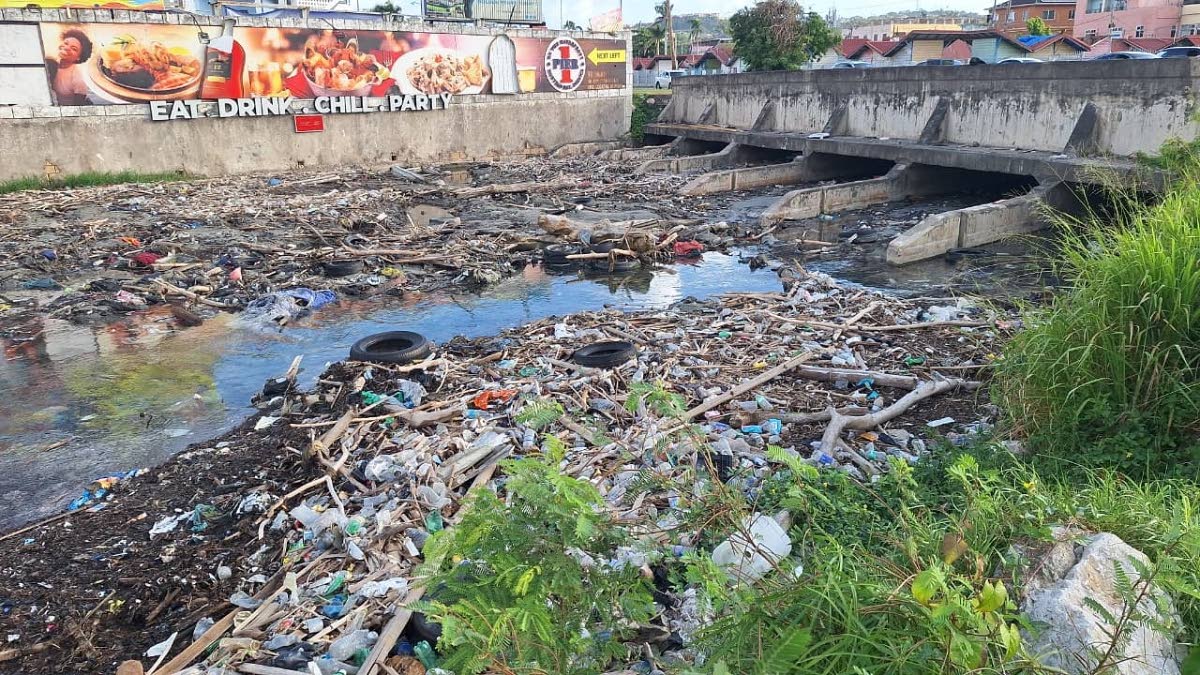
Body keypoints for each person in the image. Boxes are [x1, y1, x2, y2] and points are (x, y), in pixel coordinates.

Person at [46, 29, 93, 105]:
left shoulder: (78, 76)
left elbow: (79, 105)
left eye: (74, 49)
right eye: (66, 43)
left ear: (79, 57)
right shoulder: (52, 64)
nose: (67, 48)